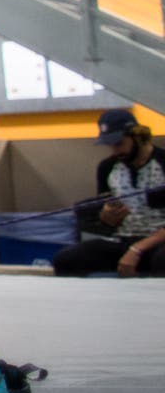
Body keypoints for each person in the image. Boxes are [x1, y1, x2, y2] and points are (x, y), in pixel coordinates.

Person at [52, 109, 165, 278]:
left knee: (161, 259)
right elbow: (107, 224)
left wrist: (137, 249)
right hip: (125, 239)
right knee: (67, 259)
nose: (115, 150)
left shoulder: (162, 162)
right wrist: (107, 217)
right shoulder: (107, 168)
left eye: (119, 143)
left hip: (158, 242)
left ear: (137, 137)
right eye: (110, 145)